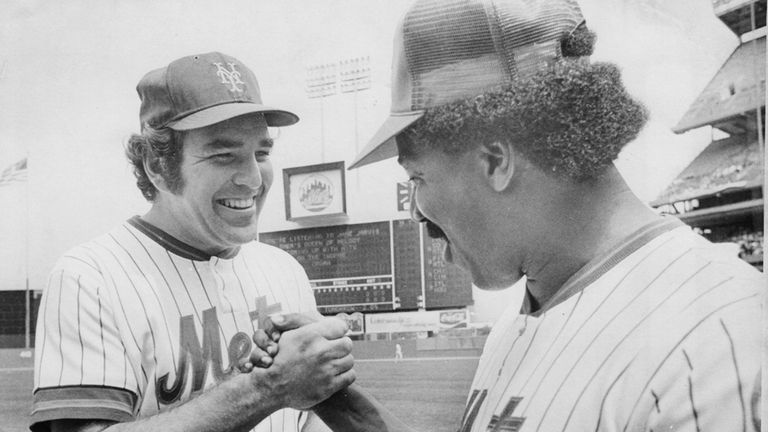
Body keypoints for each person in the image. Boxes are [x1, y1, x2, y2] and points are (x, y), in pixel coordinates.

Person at [268, 0, 764, 431]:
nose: (419, 214)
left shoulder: (723, 341)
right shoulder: (523, 314)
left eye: (418, 179)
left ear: (495, 161)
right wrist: (333, 399)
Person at [30, 52, 355, 432]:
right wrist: (267, 389)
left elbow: (307, 417)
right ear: (158, 166)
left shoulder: (285, 270)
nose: (252, 179)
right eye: (223, 155)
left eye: (261, 153)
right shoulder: (90, 278)